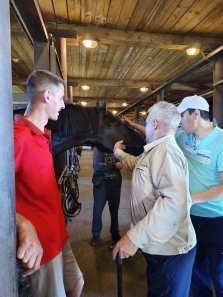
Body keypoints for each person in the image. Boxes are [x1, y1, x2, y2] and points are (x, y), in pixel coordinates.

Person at [122, 95, 223, 296]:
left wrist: (189, 199)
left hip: (215, 218)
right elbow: (160, 133)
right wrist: (133, 125)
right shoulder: (184, 136)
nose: (178, 120)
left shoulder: (220, 141)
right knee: (196, 271)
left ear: (196, 113)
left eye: (182, 115)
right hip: (188, 214)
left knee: (219, 272)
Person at [112, 101, 196, 297]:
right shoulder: (155, 151)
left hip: (170, 251)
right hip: (159, 247)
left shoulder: (165, 152)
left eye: (148, 122)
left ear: (155, 124)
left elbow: (173, 203)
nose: (146, 126)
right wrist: (118, 153)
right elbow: (138, 164)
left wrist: (134, 237)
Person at [15, 70, 84, 297]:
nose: (63, 105)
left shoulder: (42, 135)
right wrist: (21, 223)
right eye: (61, 98)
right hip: (41, 246)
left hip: (58, 236)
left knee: (77, 284)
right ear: (47, 96)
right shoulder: (18, 138)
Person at [90, 147, 123, 246]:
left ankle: (115, 233)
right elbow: (97, 166)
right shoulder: (99, 149)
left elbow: (122, 164)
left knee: (114, 211)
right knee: (97, 212)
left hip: (115, 184)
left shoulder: (117, 150)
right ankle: (96, 234)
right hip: (101, 185)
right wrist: (114, 166)